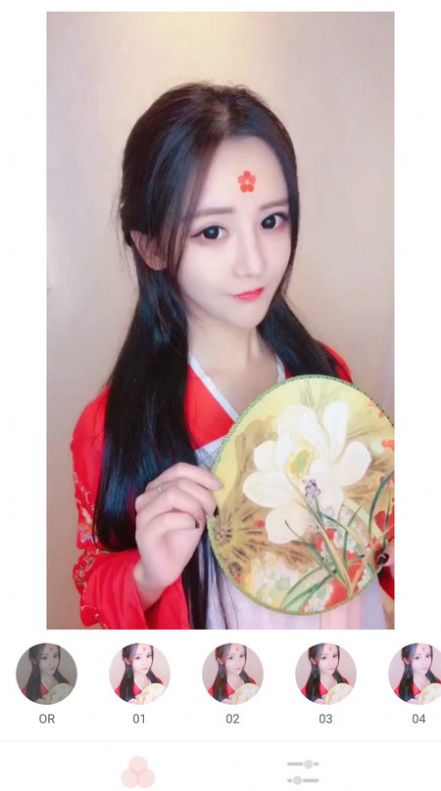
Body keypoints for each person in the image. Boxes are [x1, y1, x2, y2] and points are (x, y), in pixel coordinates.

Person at [71, 81, 391, 630]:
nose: (254, 262)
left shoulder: (324, 373)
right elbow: (92, 583)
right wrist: (147, 575)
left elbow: (373, 539)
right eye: (212, 231)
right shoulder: (113, 426)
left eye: (271, 221)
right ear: (150, 245)